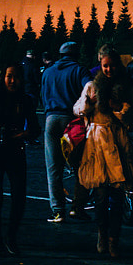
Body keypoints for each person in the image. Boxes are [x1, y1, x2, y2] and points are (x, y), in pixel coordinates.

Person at [72, 59, 133, 257]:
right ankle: (102, 234)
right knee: (100, 196)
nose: (109, 69)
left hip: (118, 143)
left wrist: (119, 108)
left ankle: (114, 239)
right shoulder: (92, 86)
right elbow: (77, 109)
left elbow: (132, 116)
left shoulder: (125, 86)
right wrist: (89, 103)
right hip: (96, 146)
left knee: (118, 196)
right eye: (105, 66)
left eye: (112, 65)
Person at [0, 64, 38, 256]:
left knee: (19, 198)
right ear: (2, 78)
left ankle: (11, 237)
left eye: (16, 77)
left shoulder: (26, 101)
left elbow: (35, 128)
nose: (12, 81)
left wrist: (22, 134)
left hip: (15, 151)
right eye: (9, 76)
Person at [39, 42, 90, 222]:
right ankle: (77, 206)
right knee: (80, 166)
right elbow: (89, 90)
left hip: (51, 120)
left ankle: (57, 210)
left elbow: (42, 97)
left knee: (53, 168)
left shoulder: (48, 72)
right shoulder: (80, 70)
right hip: (72, 121)